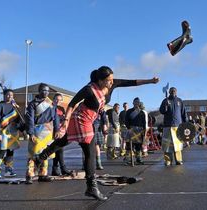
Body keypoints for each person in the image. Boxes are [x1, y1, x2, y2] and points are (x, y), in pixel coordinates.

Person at [36, 66, 159, 200]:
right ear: (100, 81)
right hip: (80, 118)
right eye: (108, 80)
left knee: (64, 140)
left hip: (90, 119)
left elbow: (132, 82)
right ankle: (92, 187)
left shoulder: (112, 84)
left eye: (112, 79)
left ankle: (40, 157)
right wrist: (65, 122)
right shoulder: (89, 89)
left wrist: (150, 81)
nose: (111, 82)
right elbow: (72, 104)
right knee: (90, 151)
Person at [25, 83, 60, 183]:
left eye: (48, 91)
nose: (46, 92)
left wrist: (57, 130)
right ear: (39, 91)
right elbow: (30, 119)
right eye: (44, 90)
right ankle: (29, 175)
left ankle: (43, 174)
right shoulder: (33, 104)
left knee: (46, 153)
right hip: (36, 130)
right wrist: (31, 133)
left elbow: (56, 118)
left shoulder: (52, 103)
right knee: (33, 153)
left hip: (49, 130)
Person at [0, 89, 23, 178]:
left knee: (10, 150)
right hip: (3, 131)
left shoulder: (14, 106)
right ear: (4, 95)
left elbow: (19, 119)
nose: (10, 96)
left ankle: (8, 170)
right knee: (2, 150)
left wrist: (17, 108)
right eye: (8, 95)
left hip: (13, 131)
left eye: (12, 95)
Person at [159, 87, 187, 166]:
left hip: (178, 126)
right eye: (171, 91)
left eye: (174, 90)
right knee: (167, 144)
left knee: (177, 144)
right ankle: (168, 160)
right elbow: (161, 111)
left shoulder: (179, 101)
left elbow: (183, 113)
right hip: (167, 126)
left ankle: (178, 160)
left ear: (176, 92)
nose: (173, 92)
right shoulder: (165, 101)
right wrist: (165, 106)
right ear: (169, 92)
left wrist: (186, 124)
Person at [51, 93, 73, 176]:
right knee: (58, 149)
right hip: (52, 131)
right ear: (53, 100)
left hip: (61, 131)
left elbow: (64, 119)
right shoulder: (51, 108)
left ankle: (55, 168)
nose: (58, 101)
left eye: (60, 100)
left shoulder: (61, 108)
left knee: (58, 149)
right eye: (56, 99)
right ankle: (63, 168)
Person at [125, 98, 147, 165]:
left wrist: (144, 130)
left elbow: (144, 123)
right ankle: (128, 160)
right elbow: (126, 121)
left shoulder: (142, 112)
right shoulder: (129, 111)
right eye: (135, 102)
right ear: (133, 103)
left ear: (139, 103)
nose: (137, 103)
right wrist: (129, 128)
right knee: (129, 146)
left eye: (138, 102)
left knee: (138, 146)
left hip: (139, 131)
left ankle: (138, 159)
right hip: (131, 130)